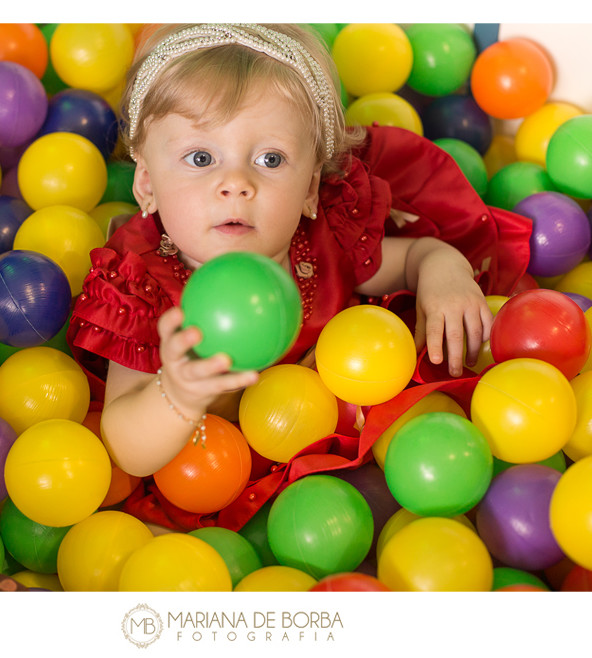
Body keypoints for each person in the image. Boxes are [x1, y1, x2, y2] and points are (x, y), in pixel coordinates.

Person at [68, 23, 531, 530]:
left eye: (270, 159)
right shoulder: (143, 287)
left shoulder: (325, 235)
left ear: (310, 187)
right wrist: (176, 395)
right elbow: (128, 449)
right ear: (146, 184)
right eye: (201, 158)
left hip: (330, 474)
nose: (236, 184)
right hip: (210, 486)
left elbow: (417, 254)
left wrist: (445, 270)